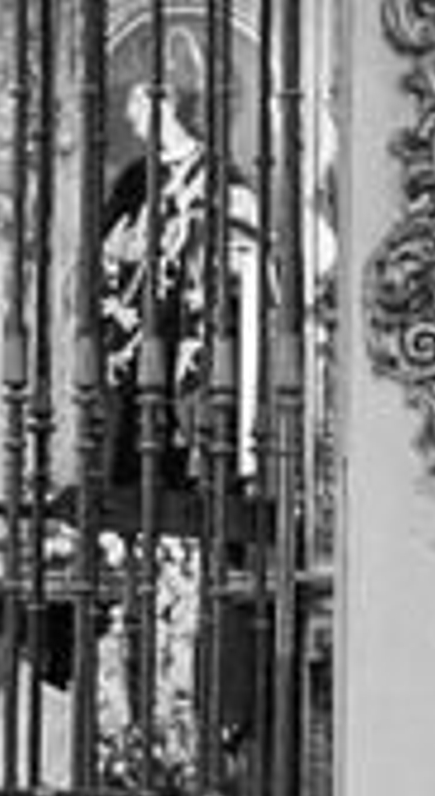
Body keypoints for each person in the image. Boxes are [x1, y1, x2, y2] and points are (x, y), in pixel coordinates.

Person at [99, 27, 261, 492]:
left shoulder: (220, 176)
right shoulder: (134, 180)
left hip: (193, 336)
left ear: (162, 100)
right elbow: (105, 253)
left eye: (134, 103)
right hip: (134, 340)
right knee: (131, 447)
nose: (129, 119)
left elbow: (245, 256)